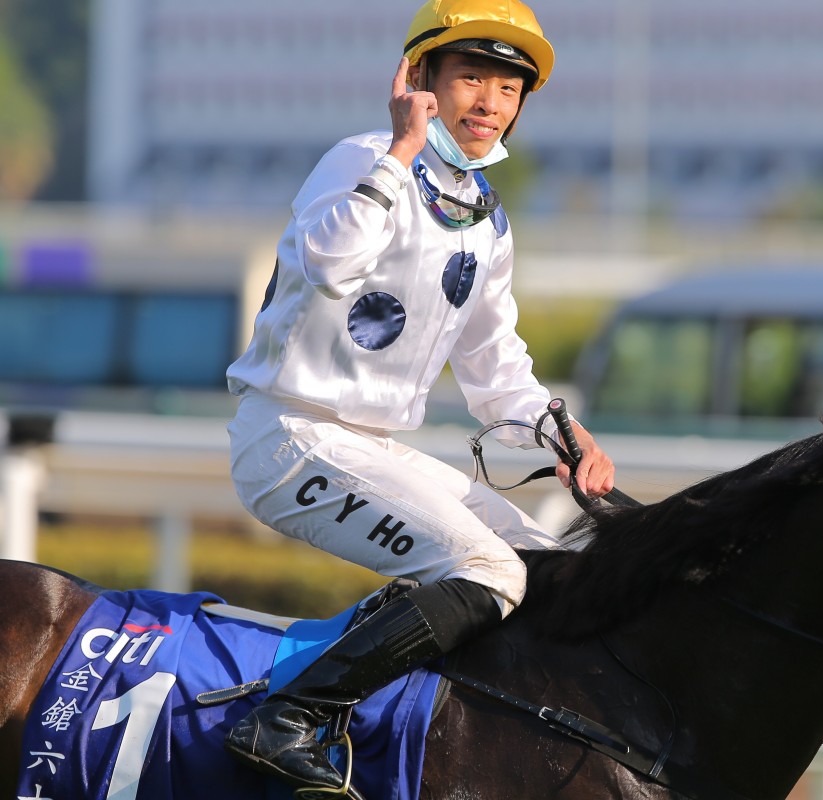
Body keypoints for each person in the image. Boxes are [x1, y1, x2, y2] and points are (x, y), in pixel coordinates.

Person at [221, 1, 615, 795]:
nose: (489, 103)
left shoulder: (486, 219)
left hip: (369, 448)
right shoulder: (362, 159)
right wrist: (401, 148)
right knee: (487, 570)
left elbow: (495, 368)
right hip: (289, 438)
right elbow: (329, 265)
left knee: (546, 566)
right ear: (418, 80)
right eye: (470, 77)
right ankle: (288, 717)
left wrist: (560, 432)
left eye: (508, 88)